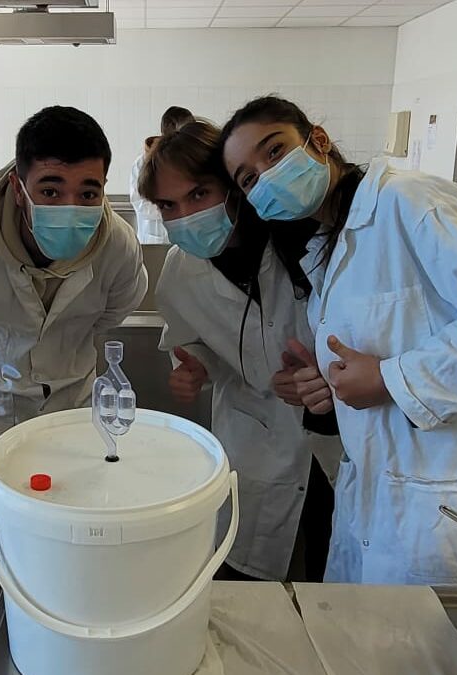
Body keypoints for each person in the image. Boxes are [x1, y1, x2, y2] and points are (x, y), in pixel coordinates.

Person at [221, 94, 457, 587]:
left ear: (318, 140)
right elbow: (391, 343)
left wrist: (391, 379)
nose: (267, 176)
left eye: (274, 151)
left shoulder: (414, 203)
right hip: (387, 501)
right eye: (249, 178)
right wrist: (328, 385)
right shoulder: (328, 245)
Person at [0, 106, 147, 571]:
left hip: (70, 405)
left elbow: (111, 315)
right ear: (18, 188)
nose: (70, 207)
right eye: (50, 190)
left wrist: (60, 355)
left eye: (88, 193)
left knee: (71, 537)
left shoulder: (118, 246)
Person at [138, 119, 341, 581]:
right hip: (256, 442)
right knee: (245, 583)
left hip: (336, 438)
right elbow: (189, 340)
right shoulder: (180, 271)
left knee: (331, 579)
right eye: (168, 205)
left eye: (199, 194)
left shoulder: (300, 242)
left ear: (232, 186)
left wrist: (326, 373)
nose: (186, 215)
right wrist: (195, 368)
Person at [129, 106, 194, 244]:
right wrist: (174, 209)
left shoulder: (190, 160)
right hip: (155, 237)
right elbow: (140, 203)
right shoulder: (143, 163)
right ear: (167, 131)